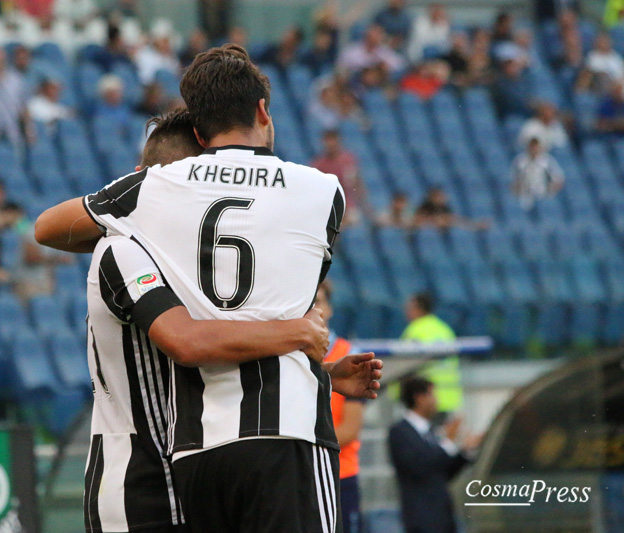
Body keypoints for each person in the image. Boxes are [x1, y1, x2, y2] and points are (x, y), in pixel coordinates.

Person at [35, 44, 384, 532]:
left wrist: (140, 215)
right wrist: (303, 339)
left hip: (195, 451)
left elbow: (47, 228)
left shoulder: (155, 192)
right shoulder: (324, 191)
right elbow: (265, 306)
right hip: (285, 435)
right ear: (263, 110)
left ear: (199, 131)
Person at [84, 108, 332, 533]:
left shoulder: (190, 260)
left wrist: (321, 371)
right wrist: (296, 333)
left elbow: (224, 345)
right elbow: (189, 342)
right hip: (135, 483)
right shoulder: (122, 251)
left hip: (187, 465)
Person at [388, 377, 473, 533]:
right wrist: (448, 442)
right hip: (421, 519)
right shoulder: (399, 432)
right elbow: (419, 467)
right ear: (419, 398)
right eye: (432, 395)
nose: (436, 401)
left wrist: (465, 451)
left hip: (444, 517)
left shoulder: (431, 432)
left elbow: (442, 472)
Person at [317, 282, 365, 533]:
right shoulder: (287, 354)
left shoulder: (349, 354)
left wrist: (302, 445)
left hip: (340, 474)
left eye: (319, 302)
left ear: (330, 308)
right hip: (300, 474)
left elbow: (350, 429)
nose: (315, 311)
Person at [401, 292, 462, 414]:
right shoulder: (444, 329)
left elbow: (404, 366)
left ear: (419, 309)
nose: (406, 312)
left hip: (425, 399)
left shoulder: (414, 331)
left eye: (409, 308)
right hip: (449, 398)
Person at [311, 130, 365, 226]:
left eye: (333, 141)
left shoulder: (348, 160)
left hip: (348, 205)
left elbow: (357, 183)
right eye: (328, 141)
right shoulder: (319, 164)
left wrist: (363, 203)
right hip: (328, 206)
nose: (331, 145)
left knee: (355, 222)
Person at [511, 137, 565, 210]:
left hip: (543, 194)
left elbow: (559, 179)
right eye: (532, 147)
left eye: (535, 147)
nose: (534, 150)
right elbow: (513, 180)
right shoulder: (520, 161)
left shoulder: (547, 161)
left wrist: (550, 190)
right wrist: (518, 190)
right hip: (525, 195)